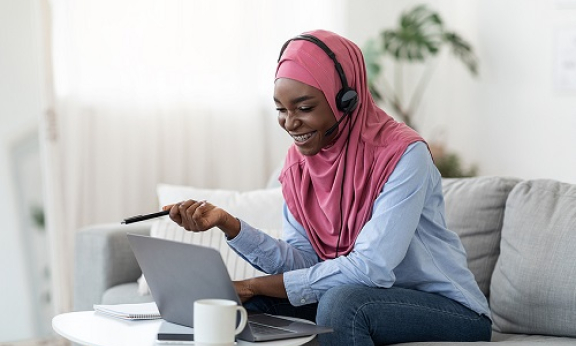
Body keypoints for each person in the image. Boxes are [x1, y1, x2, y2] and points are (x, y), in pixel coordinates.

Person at [165, 30, 492, 345]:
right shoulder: (298, 167)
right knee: (243, 309)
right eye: (281, 109)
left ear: (346, 100)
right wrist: (229, 224)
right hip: (360, 295)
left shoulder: (405, 155)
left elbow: (370, 268)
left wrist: (255, 284)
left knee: (343, 305)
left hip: (446, 307)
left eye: (304, 108)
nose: (290, 123)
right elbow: (304, 265)